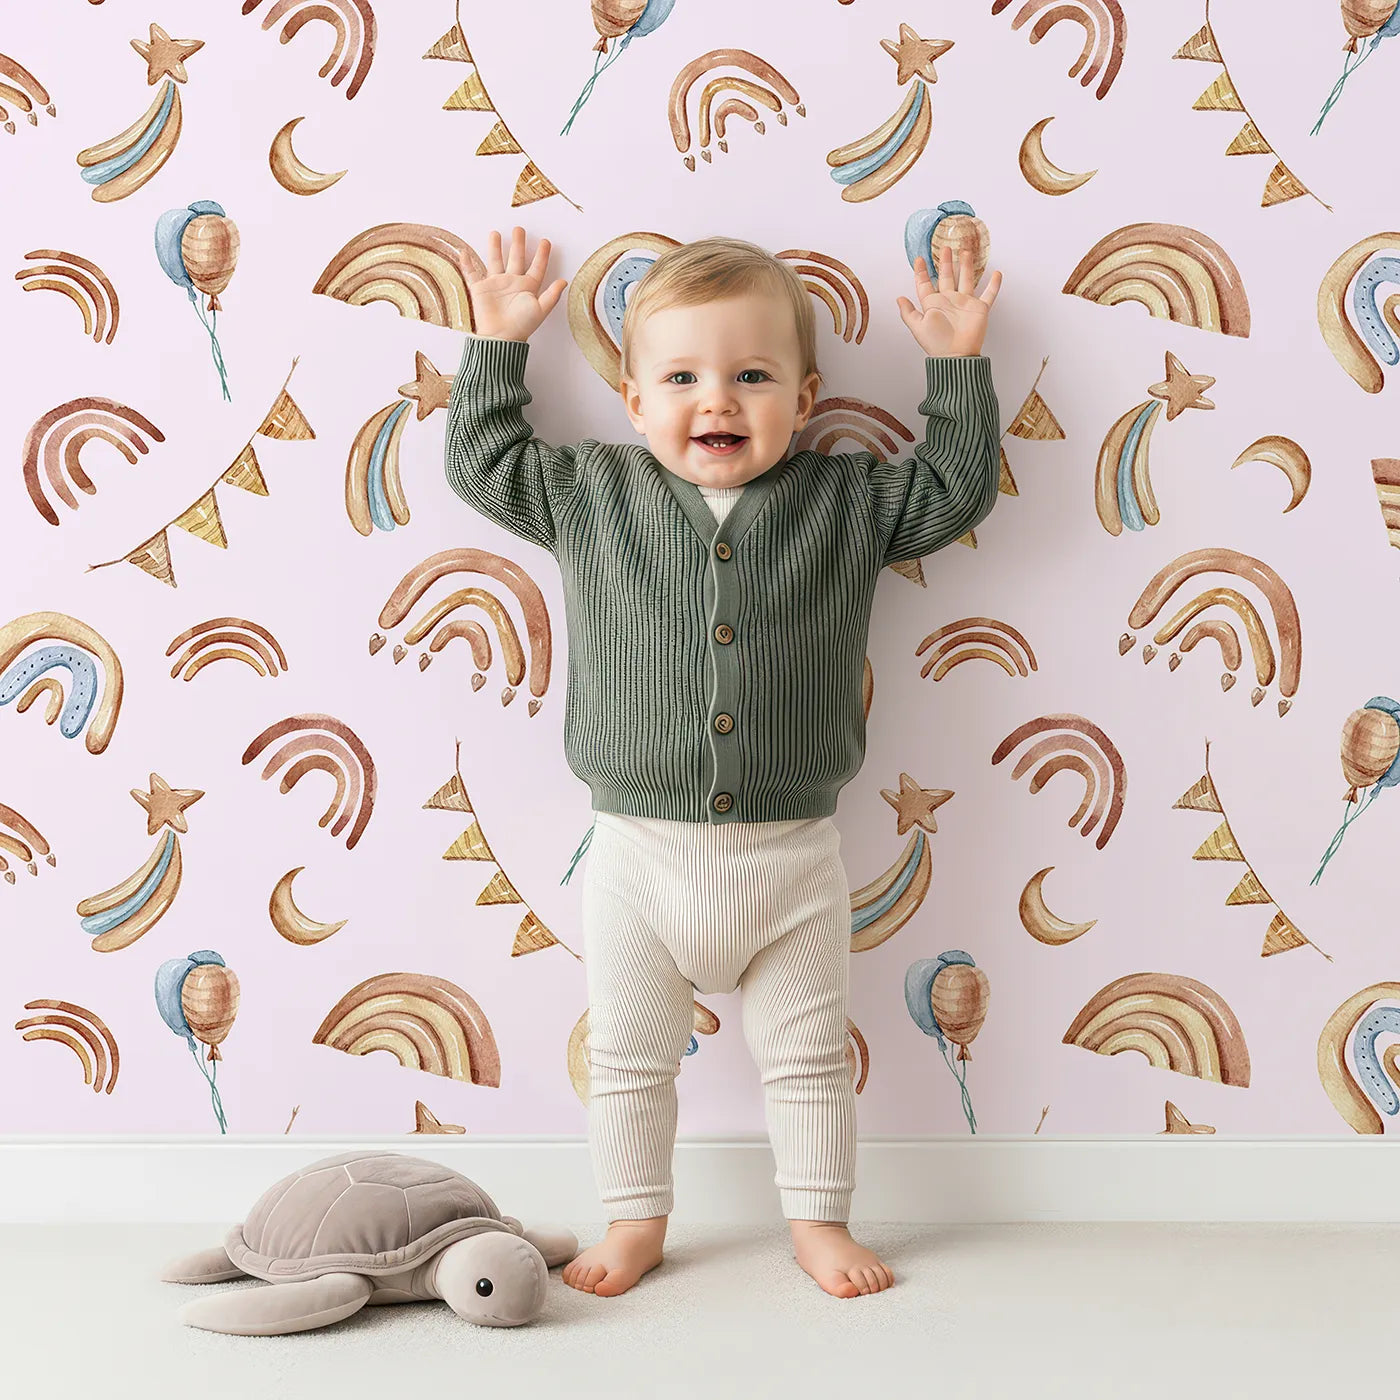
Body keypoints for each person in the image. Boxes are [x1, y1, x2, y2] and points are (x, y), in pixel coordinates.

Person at [446, 225, 1003, 1300]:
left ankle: (818, 1221)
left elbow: (952, 489)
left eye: (752, 376)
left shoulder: (844, 503)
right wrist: (497, 347)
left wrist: (956, 364)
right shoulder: (587, 494)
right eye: (683, 377)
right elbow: (485, 462)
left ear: (803, 400)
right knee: (628, 1057)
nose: (718, 400)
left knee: (806, 1058)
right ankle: (634, 1218)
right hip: (635, 855)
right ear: (631, 400)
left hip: (792, 859)